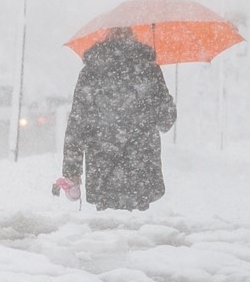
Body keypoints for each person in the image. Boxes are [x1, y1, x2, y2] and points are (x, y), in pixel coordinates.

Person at [60, 26, 176, 211]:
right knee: (142, 230)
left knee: (106, 231)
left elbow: (77, 124)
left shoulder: (91, 72)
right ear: (133, 38)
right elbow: (166, 120)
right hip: (142, 168)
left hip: (102, 169)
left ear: (106, 38)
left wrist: (71, 172)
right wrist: (159, 105)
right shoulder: (149, 70)